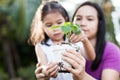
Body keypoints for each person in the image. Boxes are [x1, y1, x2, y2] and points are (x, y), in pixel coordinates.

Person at [29, 1, 96, 80]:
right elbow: (43, 66)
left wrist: (85, 40)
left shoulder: (73, 40)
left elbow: (91, 57)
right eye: (49, 25)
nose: (55, 28)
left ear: (66, 21)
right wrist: (47, 71)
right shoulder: (41, 46)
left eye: (59, 22)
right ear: (42, 26)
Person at [62, 1, 120, 80]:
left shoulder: (111, 51)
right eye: (78, 18)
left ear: (99, 23)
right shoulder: (66, 48)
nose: (82, 23)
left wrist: (83, 76)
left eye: (90, 19)